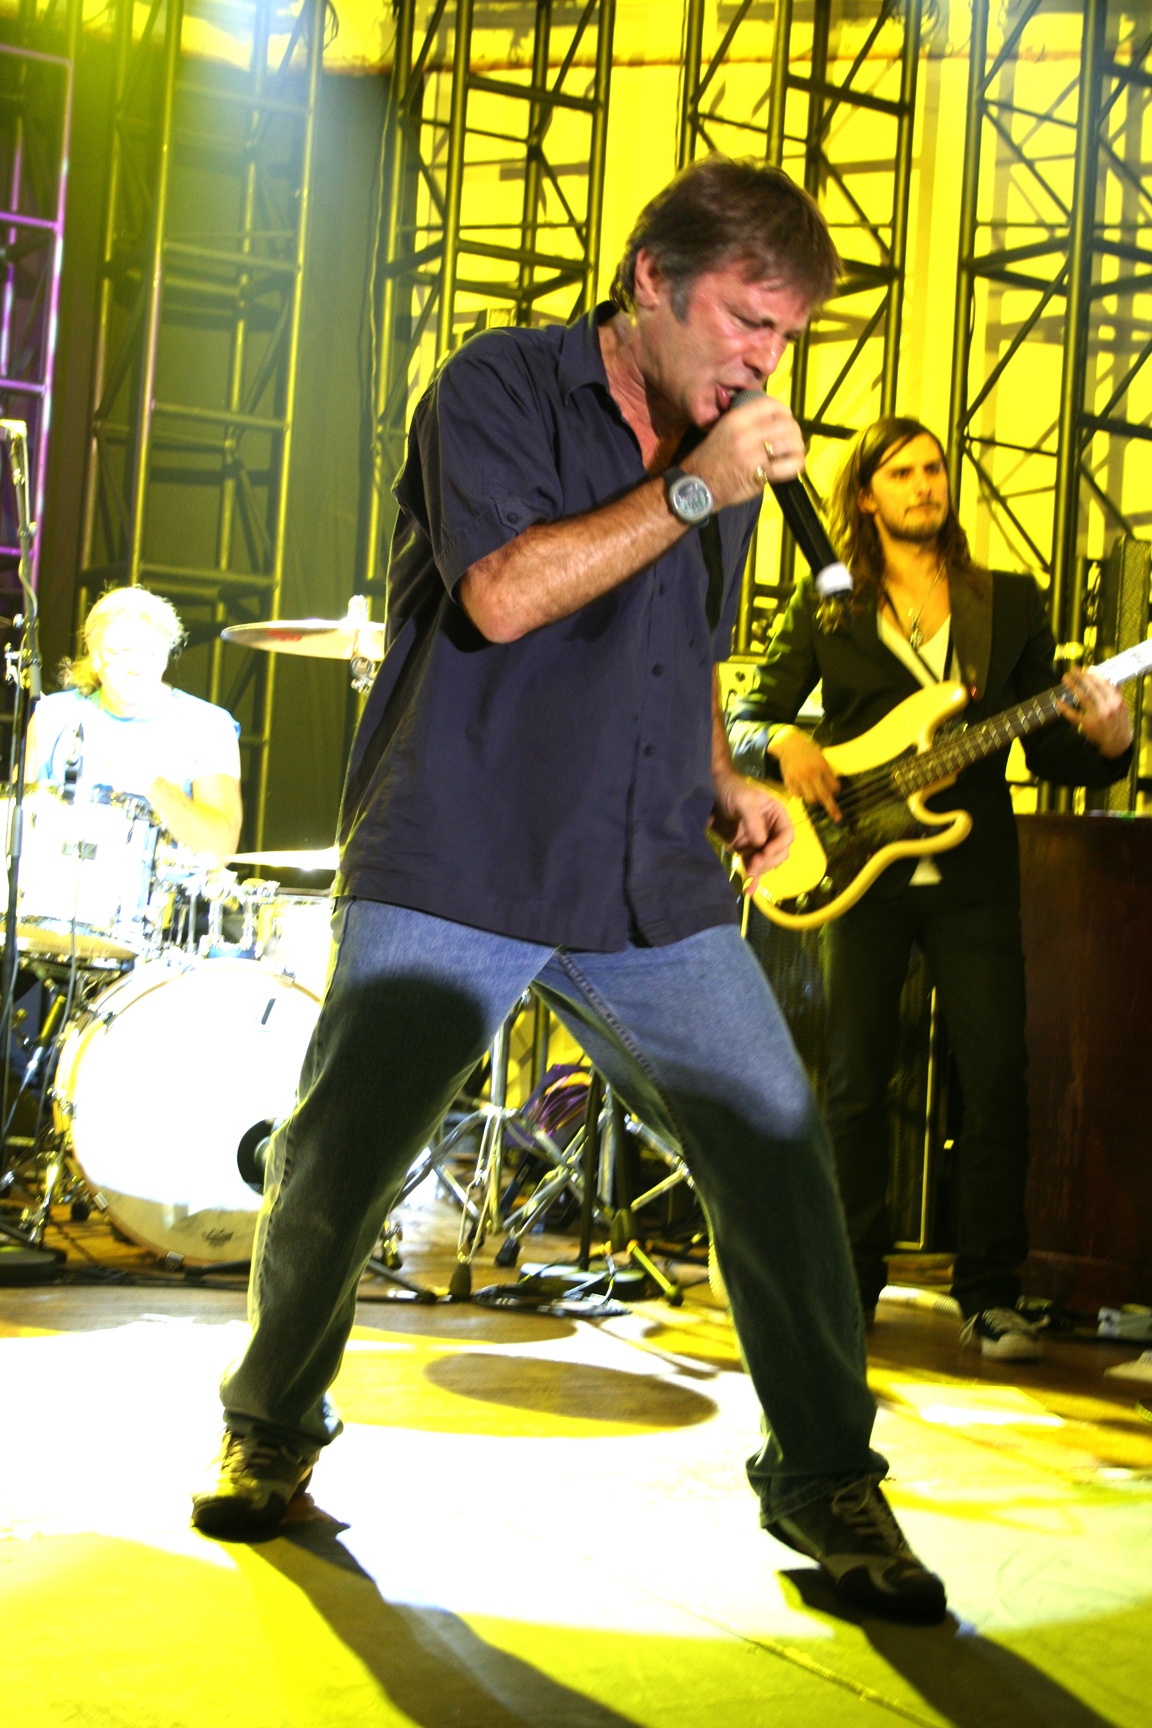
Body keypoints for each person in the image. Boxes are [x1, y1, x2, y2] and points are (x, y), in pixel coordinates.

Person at [191, 158, 947, 1623]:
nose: (765, 360)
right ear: (653, 280)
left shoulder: (718, 450)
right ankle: (272, 1424)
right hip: (462, 848)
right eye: (747, 320)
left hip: (645, 869)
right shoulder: (496, 388)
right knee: (340, 1161)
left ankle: (824, 1475)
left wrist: (724, 780)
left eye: (787, 336)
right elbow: (503, 594)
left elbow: (691, 650)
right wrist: (693, 486)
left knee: (776, 1146)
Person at [727, 417, 1132, 1360]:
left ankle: (990, 1293)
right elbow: (743, 718)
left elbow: (1050, 746)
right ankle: (848, 1282)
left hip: (973, 873)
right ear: (866, 495)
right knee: (855, 1081)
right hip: (856, 866)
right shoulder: (828, 605)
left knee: (995, 1080)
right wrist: (781, 740)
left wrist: (1112, 742)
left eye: (935, 468)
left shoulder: (1007, 602)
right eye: (902, 471)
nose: (925, 483)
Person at [28, 586, 242, 860]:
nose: (135, 667)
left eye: (150, 654)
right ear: (93, 653)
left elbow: (221, 850)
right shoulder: (52, 715)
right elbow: (14, 827)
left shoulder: (209, 726)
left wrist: (153, 785)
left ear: (168, 654)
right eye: (119, 653)